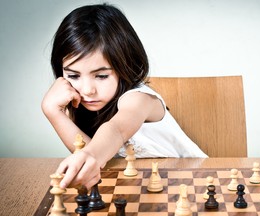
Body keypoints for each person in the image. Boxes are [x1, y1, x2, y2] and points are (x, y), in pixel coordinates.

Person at [41, 3, 207, 190]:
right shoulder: (82, 103)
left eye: (102, 76)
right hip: (146, 190)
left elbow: (116, 131)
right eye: (73, 75)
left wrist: (91, 155)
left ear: (124, 65)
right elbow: (92, 157)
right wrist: (53, 111)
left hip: (196, 185)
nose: (87, 90)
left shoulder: (139, 99)